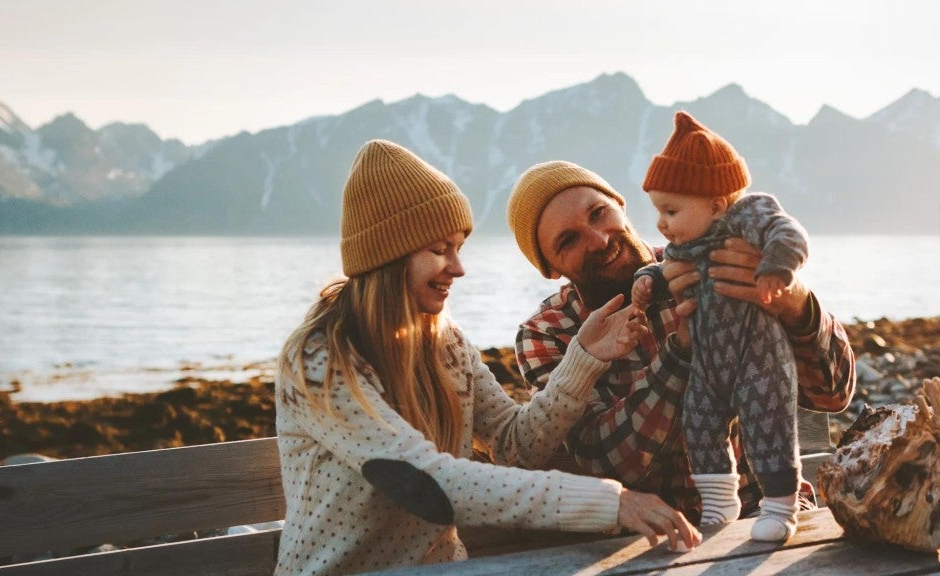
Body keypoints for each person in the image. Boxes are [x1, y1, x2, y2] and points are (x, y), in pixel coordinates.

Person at [274, 139, 700, 576]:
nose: (458, 268)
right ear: (389, 254)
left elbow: (517, 446)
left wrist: (584, 357)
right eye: (440, 250)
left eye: (459, 247)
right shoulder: (321, 359)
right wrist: (612, 502)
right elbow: (422, 478)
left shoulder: (445, 344)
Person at [506, 140, 855, 537]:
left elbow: (834, 395)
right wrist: (680, 353)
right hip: (651, 538)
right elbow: (606, 461)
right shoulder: (547, 333)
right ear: (550, 268)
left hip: (770, 513)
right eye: (569, 240)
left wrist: (793, 302)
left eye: (599, 213)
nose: (600, 240)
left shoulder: (723, 258)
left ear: (621, 205)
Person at [630, 111, 809, 541]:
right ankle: (718, 501)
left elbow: (788, 232)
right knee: (700, 423)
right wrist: (645, 282)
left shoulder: (746, 217)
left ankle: (781, 507)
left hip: (757, 357)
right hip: (709, 365)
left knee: (769, 424)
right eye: (658, 211)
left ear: (715, 204)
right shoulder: (684, 248)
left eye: (670, 210)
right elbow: (663, 269)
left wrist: (777, 269)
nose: (660, 223)